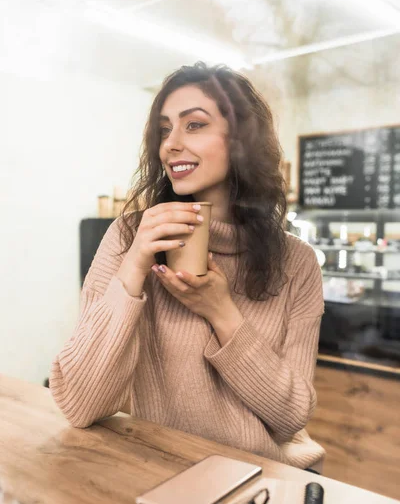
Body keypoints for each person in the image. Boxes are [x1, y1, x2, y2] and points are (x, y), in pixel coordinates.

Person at [50, 62, 325, 471]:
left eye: (193, 125)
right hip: (156, 472)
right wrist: (134, 266)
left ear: (241, 142)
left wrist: (221, 312)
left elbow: (290, 420)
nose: (171, 145)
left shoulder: (297, 263)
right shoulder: (130, 235)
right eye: (164, 130)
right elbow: (79, 403)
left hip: (255, 479)